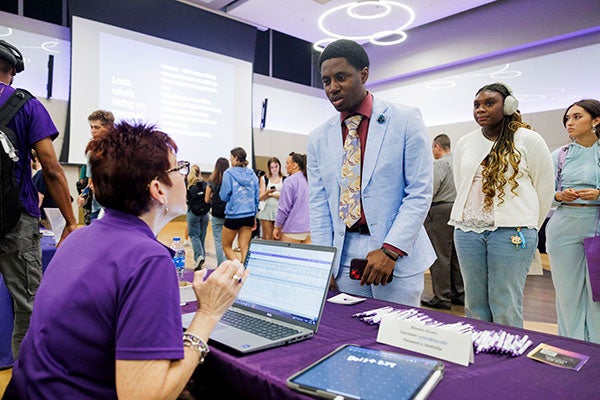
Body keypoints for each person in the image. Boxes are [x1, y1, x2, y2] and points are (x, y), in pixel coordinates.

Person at [4, 121, 249, 399]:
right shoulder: (148, 260)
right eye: (178, 168)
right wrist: (208, 313)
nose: (184, 175)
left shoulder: (78, 238)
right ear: (158, 189)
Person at [308, 39, 435, 306]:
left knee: (395, 339)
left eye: (341, 77)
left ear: (364, 74)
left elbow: (419, 192)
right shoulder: (318, 137)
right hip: (343, 255)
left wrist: (390, 250)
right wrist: (323, 262)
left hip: (396, 255)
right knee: (350, 337)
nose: (332, 88)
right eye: (326, 81)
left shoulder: (405, 119)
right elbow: (319, 204)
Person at [449, 82, 554, 328]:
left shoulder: (529, 139)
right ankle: (479, 359)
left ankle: (508, 360)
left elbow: (544, 191)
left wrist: (528, 226)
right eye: (476, 105)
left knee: (505, 302)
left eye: (489, 103)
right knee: (474, 303)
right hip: (466, 230)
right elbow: (461, 183)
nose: (480, 110)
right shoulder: (465, 142)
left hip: (512, 232)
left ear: (507, 106)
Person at [0, 39, 77, 358]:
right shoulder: (25, 104)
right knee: (28, 308)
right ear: (11, 73)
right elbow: (52, 168)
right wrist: (71, 221)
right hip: (15, 221)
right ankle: (25, 384)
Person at [546, 99, 600, 343]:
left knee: (597, 294)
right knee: (567, 294)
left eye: (577, 117)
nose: (570, 123)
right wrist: (558, 195)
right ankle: (571, 346)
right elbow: (542, 192)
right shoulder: (559, 155)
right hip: (563, 225)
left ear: (596, 120)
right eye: (567, 118)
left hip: (596, 225)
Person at [421, 134, 464, 310]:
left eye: (432, 148)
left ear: (438, 146)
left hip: (440, 211)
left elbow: (430, 190)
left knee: (439, 255)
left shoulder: (439, 164)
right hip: (457, 209)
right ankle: (459, 293)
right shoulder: (458, 162)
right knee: (454, 256)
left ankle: (441, 297)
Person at [219, 147, 259, 263]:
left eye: (231, 158)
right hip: (249, 215)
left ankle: (239, 268)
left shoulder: (228, 173)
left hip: (233, 215)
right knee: (245, 247)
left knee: (226, 246)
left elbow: (224, 195)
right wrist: (254, 213)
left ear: (236, 158)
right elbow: (256, 196)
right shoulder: (252, 174)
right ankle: (245, 272)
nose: (230, 160)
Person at [76, 109, 114, 223]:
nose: (93, 131)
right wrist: (84, 195)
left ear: (109, 127)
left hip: (113, 208)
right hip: (96, 207)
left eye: (97, 127)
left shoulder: (119, 150)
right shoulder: (91, 150)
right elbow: (90, 182)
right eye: (91, 127)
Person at [274, 152, 310, 244]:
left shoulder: (289, 181)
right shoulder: (310, 180)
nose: (285, 166)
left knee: (288, 258)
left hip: (293, 229)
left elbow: (283, 208)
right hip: (310, 229)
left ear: (294, 165)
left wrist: (277, 226)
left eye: (287, 163)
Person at [205, 157, 229, 267]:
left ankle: (221, 266)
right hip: (229, 214)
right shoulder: (230, 180)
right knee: (228, 243)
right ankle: (228, 265)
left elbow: (206, 199)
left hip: (216, 213)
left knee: (218, 242)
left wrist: (213, 201)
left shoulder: (212, 181)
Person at [186, 164, 210, 270]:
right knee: (202, 237)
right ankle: (201, 259)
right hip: (205, 213)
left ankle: (199, 257)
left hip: (193, 214)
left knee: (194, 236)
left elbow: (187, 201)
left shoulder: (189, 186)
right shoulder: (205, 184)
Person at [256, 157, 284, 240]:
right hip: (267, 210)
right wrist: (268, 193)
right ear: (269, 168)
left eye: (276, 166)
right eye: (272, 167)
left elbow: (286, 196)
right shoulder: (264, 179)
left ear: (279, 166)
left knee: (278, 236)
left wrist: (272, 194)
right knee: (267, 237)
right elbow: (260, 197)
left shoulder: (285, 179)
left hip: (279, 210)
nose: (274, 169)